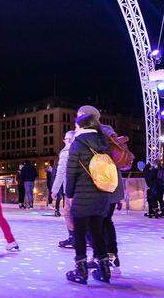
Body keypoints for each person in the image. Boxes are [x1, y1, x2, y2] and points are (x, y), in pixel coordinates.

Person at [65, 113, 112, 285]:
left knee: (79, 233)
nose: (75, 128)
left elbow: (71, 171)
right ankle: (104, 270)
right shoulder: (103, 141)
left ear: (82, 126)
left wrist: (69, 195)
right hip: (102, 194)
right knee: (97, 231)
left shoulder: (78, 143)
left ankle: (81, 271)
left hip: (83, 194)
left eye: (76, 125)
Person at [52, 130, 76, 248]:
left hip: (70, 189)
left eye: (65, 139)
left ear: (69, 140)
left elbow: (60, 172)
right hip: (82, 188)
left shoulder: (66, 152)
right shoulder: (82, 150)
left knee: (68, 212)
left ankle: (73, 237)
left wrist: (54, 190)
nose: (64, 141)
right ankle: (86, 237)